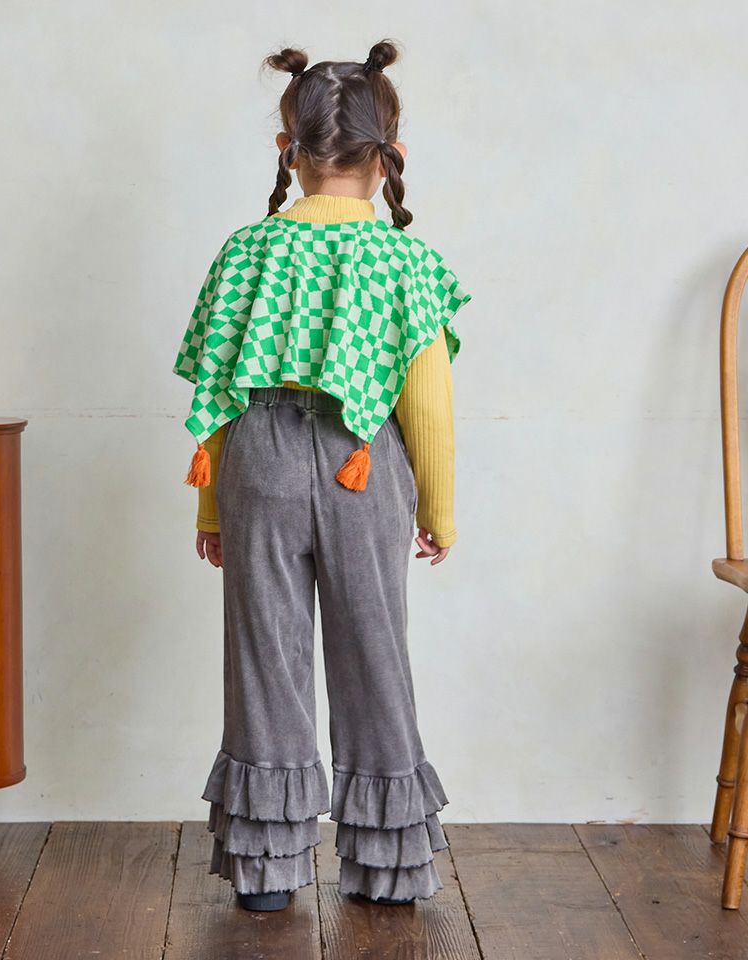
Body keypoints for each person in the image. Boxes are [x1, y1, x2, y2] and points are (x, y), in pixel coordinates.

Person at [172, 39, 472, 913]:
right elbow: (428, 406)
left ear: (286, 151)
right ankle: (386, 869)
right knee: (375, 655)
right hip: (362, 465)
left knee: (263, 661)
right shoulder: (407, 261)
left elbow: (216, 394)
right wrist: (441, 511)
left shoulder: (246, 251)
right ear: (390, 155)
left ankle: (267, 874)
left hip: (258, 463)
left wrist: (212, 508)